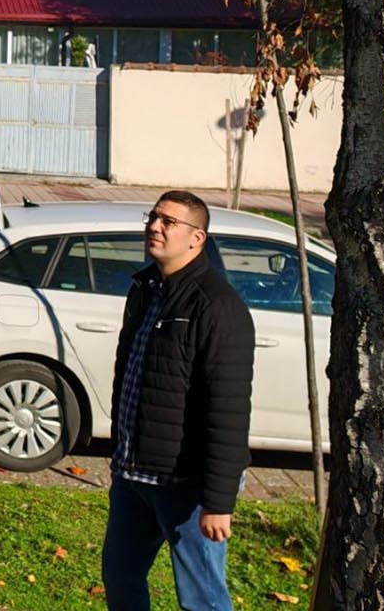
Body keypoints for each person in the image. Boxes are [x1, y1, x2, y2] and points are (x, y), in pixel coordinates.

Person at [102, 191, 255, 611]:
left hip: (185, 485)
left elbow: (228, 410)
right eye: (153, 217)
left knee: (201, 599)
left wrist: (217, 502)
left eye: (168, 222)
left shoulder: (217, 306)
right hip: (134, 476)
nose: (154, 226)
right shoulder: (145, 290)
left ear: (196, 238)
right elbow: (132, 378)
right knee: (120, 577)